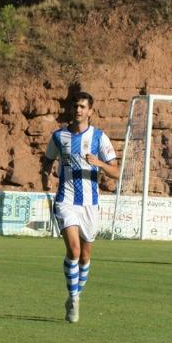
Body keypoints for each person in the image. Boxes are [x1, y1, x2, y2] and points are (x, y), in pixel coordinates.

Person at [40, 91, 119, 323]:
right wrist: (46, 177)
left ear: (90, 111)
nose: (78, 110)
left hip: (90, 204)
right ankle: (73, 299)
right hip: (65, 200)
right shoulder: (59, 136)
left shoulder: (99, 138)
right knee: (73, 250)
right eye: (76, 106)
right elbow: (48, 160)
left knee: (85, 256)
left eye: (83, 107)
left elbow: (116, 171)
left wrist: (100, 164)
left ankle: (77, 294)